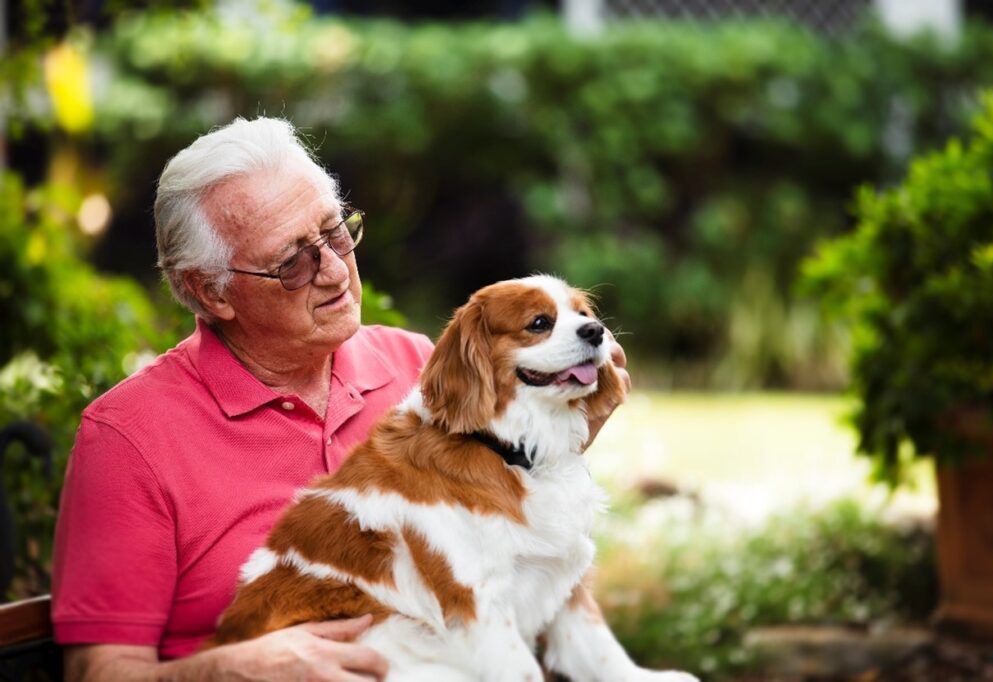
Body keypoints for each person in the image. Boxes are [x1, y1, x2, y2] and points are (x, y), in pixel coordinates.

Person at [50, 117, 629, 681]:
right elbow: (95, 671)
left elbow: (513, 563)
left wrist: (570, 435)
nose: (332, 270)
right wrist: (230, 668)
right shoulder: (129, 437)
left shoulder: (415, 367)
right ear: (211, 291)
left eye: (334, 232)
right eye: (292, 262)